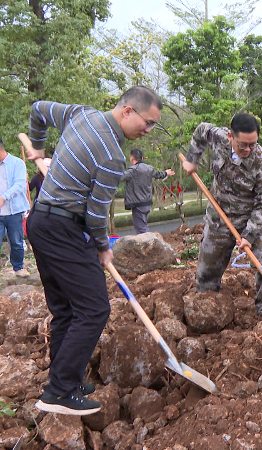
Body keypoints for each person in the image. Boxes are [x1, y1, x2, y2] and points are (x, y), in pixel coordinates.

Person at [26, 86, 162, 415]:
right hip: (63, 230)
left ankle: (65, 383)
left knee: (67, 310)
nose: (147, 131)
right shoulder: (113, 156)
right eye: (147, 123)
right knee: (94, 309)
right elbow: (96, 213)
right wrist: (103, 248)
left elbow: (38, 110)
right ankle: (58, 391)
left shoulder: (81, 113)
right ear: (128, 110)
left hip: (40, 224)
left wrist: (39, 145)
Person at [181, 113, 262, 320]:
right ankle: (205, 309)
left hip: (249, 220)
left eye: (252, 144)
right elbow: (201, 129)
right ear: (229, 136)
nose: (248, 150)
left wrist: (249, 235)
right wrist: (192, 160)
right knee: (207, 270)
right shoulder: (218, 138)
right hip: (219, 216)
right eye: (242, 145)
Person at [121, 148, 175, 234]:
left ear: (131, 158)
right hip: (147, 203)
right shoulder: (149, 168)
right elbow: (158, 174)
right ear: (142, 158)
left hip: (138, 204)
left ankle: (149, 244)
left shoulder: (132, 171)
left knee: (141, 229)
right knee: (143, 225)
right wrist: (165, 172)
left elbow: (119, 177)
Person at [0, 137, 31, 277]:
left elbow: (20, 185)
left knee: (16, 242)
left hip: (14, 210)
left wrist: (3, 197)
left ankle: (18, 268)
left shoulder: (17, 163)